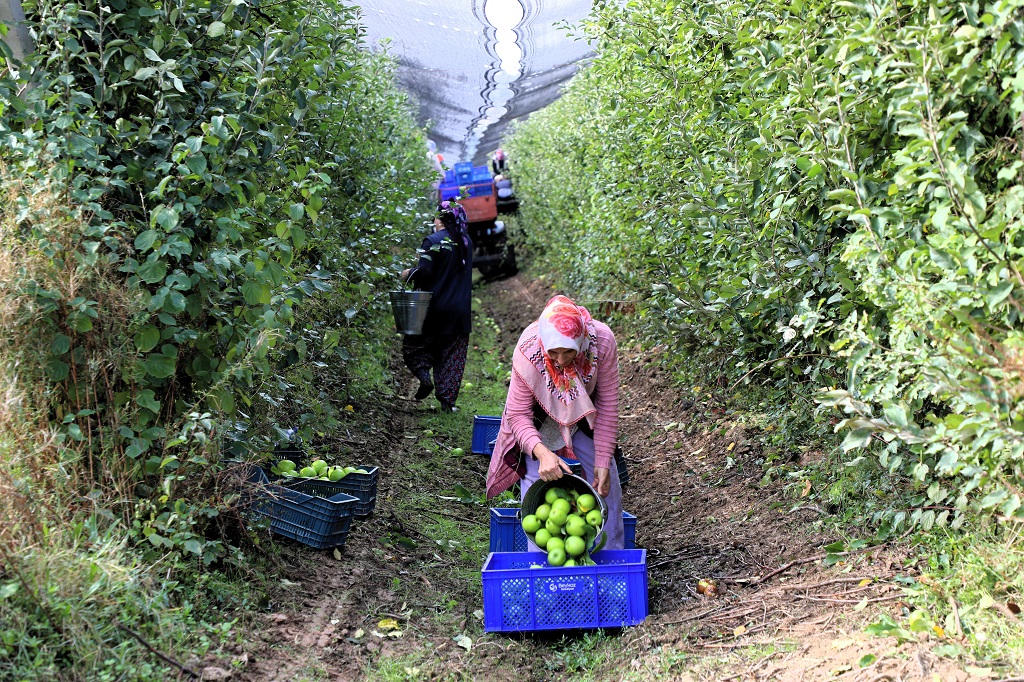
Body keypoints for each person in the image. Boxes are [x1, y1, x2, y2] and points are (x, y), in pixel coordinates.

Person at [485, 295, 624, 549]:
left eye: (569, 351)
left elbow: (607, 406)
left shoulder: (601, 343)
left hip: (583, 409)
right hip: (538, 414)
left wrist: (603, 459)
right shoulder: (530, 349)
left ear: (581, 341)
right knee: (536, 479)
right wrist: (542, 453)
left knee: (606, 480)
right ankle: (542, 564)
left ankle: (610, 557)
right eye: (554, 352)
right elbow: (517, 414)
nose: (560, 360)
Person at [400, 202, 473, 412]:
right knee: (452, 356)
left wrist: (407, 273)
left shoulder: (432, 241)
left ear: (439, 220)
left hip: (432, 309)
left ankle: (424, 377)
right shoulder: (466, 241)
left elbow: (425, 272)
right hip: (459, 312)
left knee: (414, 346)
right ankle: (447, 403)